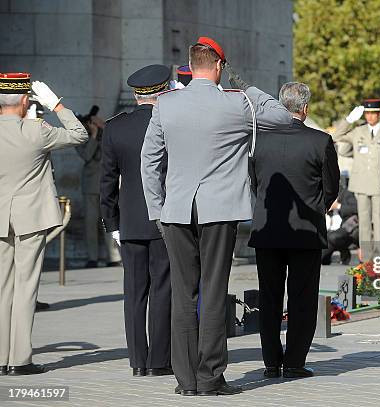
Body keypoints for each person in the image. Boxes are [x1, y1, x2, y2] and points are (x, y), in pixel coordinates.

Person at [141, 36, 293, 396]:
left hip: (176, 210)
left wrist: (157, 209)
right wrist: (247, 86)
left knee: (183, 293)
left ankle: (186, 381)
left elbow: (149, 162)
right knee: (212, 292)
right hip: (219, 210)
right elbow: (284, 118)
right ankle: (210, 377)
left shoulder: (165, 104)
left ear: (192, 67)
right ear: (220, 66)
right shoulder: (237, 103)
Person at [248, 82, 339, 379]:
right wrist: (317, 208)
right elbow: (331, 187)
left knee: (270, 297)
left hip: (267, 229)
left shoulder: (259, 141)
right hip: (306, 231)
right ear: (306, 108)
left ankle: (271, 362)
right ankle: (295, 362)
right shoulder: (320, 141)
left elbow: (255, 182)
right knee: (302, 297)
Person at [0, 74, 88, 375]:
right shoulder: (38, 130)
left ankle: (0, 358)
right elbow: (79, 134)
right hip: (29, 218)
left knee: (2, 289)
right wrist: (56, 104)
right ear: (26, 100)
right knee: (26, 288)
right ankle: (19, 360)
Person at [100, 65, 172, 378]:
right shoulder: (170, 124)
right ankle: (159, 360)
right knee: (162, 289)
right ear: (165, 90)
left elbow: (106, 182)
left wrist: (112, 222)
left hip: (129, 223)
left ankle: (137, 361)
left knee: (134, 293)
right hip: (164, 219)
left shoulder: (116, 127)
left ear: (135, 95)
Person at [333, 99, 380, 258]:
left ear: (379, 113)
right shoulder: (358, 131)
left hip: (378, 183)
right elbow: (336, 135)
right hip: (361, 183)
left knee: (379, 222)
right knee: (363, 222)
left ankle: (379, 257)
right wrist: (349, 120)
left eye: (373, 113)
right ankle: (367, 259)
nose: (370, 117)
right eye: (367, 113)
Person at [77, 107, 122, 267]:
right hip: (90, 187)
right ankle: (92, 257)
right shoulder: (82, 138)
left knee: (109, 221)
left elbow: (116, 146)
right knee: (90, 223)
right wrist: (94, 136)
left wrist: (102, 127)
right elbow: (87, 155)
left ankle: (114, 257)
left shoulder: (106, 134)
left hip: (106, 185)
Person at [321, 185, 359, 265]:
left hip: (349, 227)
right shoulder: (325, 195)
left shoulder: (347, 193)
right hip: (332, 227)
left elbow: (355, 208)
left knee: (332, 237)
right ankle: (325, 259)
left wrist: (338, 206)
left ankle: (344, 253)